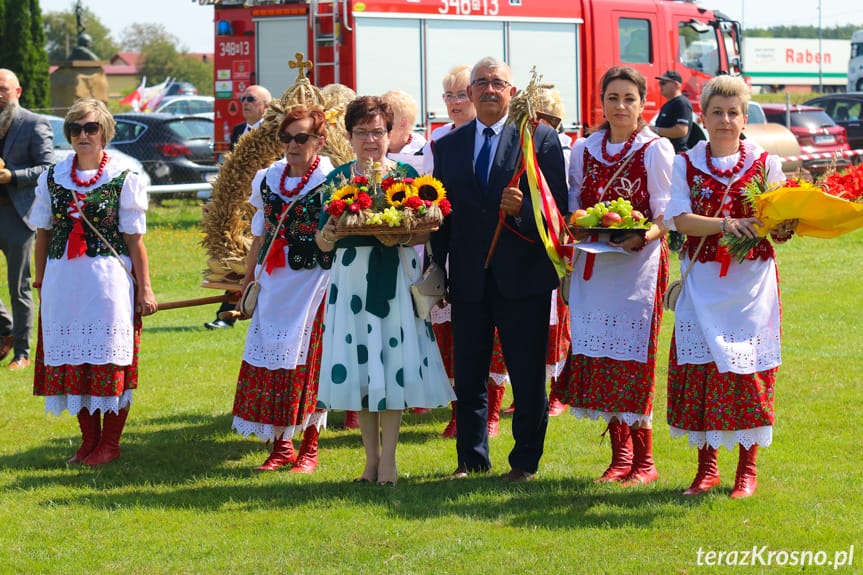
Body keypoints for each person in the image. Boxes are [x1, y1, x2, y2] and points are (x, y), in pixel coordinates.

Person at [431, 57, 567, 482]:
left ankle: (524, 462)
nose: (489, 89)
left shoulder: (538, 138)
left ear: (512, 92)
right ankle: (471, 460)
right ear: (469, 92)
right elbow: (443, 215)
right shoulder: (448, 145)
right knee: (468, 376)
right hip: (468, 278)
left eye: (498, 82)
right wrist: (437, 268)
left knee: (526, 376)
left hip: (522, 278)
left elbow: (558, 210)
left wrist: (523, 212)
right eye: (481, 82)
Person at [664, 75, 794, 498]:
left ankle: (746, 470)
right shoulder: (685, 163)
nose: (724, 120)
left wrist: (785, 227)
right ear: (702, 117)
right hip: (702, 282)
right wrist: (725, 224)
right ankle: (707, 469)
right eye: (716, 112)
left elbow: (777, 223)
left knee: (748, 373)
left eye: (733, 113)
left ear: (744, 119)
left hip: (751, 286)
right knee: (702, 373)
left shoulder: (765, 163)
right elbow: (680, 220)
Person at [315, 96, 454, 485]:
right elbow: (322, 243)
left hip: (395, 277)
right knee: (361, 366)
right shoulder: (337, 180)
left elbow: (427, 231)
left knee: (392, 366)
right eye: (361, 132)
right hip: (351, 280)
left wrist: (400, 235)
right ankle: (370, 461)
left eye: (377, 132)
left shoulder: (407, 176)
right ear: (349, 136)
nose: (370, 140)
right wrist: (330, 234)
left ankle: (389, 461)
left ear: (389, 134)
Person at [559, 66, 674, 486]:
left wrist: (641, 236)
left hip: (637, 267)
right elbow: (574, 206)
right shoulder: (585, 148)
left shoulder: (655, 150)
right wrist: (581, 226)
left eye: (629, 98)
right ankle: (620, 455)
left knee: (634, 360)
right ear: (602, 102)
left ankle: (644, 460)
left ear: (643, 104)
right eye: (613, 98)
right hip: (595, 266)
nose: (620, 106)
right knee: (602, 357)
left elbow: (666, 214)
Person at [31, 98, 157, 466]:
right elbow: (42, 234)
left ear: (105, 133)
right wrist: (40, 281)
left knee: (109, 360)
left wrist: (146, 287)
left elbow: (134, 240)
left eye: (91, 128)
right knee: (74, 359)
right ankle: (89, 441)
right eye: (75, 128)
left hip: (107, 284)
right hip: (63, 282)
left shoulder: (123, 178)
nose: (82, 135)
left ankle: (110, 444)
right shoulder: (52, 178)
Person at [230, 104, 334, 473]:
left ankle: (310, 448)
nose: (292, 145)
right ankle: (281, 445)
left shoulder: (332, 181)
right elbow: (259, 236)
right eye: (286, 137)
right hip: (273, 281)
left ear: (319, 141)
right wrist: (248, 281)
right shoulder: (268, 178)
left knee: (309, 362)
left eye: (301, 137)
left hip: (315, 281)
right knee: (274, 358)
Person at [205, 84, 273, 330]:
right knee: (235, 259)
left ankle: (246, 311)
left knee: (257, 257)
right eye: (243, 98)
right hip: (238, 207)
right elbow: (229, 171)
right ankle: (226, 314)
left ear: (265, 107)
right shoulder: (237, 131)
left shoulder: (273, 133)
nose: (245, 103)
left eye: (251, 99)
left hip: (264, 204)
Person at [0, 69, 55, 370]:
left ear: (17, 92)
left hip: (18, 216)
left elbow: (47, 167)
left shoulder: (34, 123)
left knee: (18, 287)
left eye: (3, 89)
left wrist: (13, 176)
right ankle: (7, 327)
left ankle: (21, 352)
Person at [653, 70, 692, 154]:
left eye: (663, 83)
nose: (660, 86)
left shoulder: (682, 103)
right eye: (660, 83)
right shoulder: (667, 104)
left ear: (676, 85)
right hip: (664, 152)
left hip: (675, 153)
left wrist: (655, 130)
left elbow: (681, 130)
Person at [382, 90, 426, 157]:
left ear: (403, 123)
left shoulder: (425, 153)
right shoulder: (371, 149)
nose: (379, 127)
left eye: (385, 122)